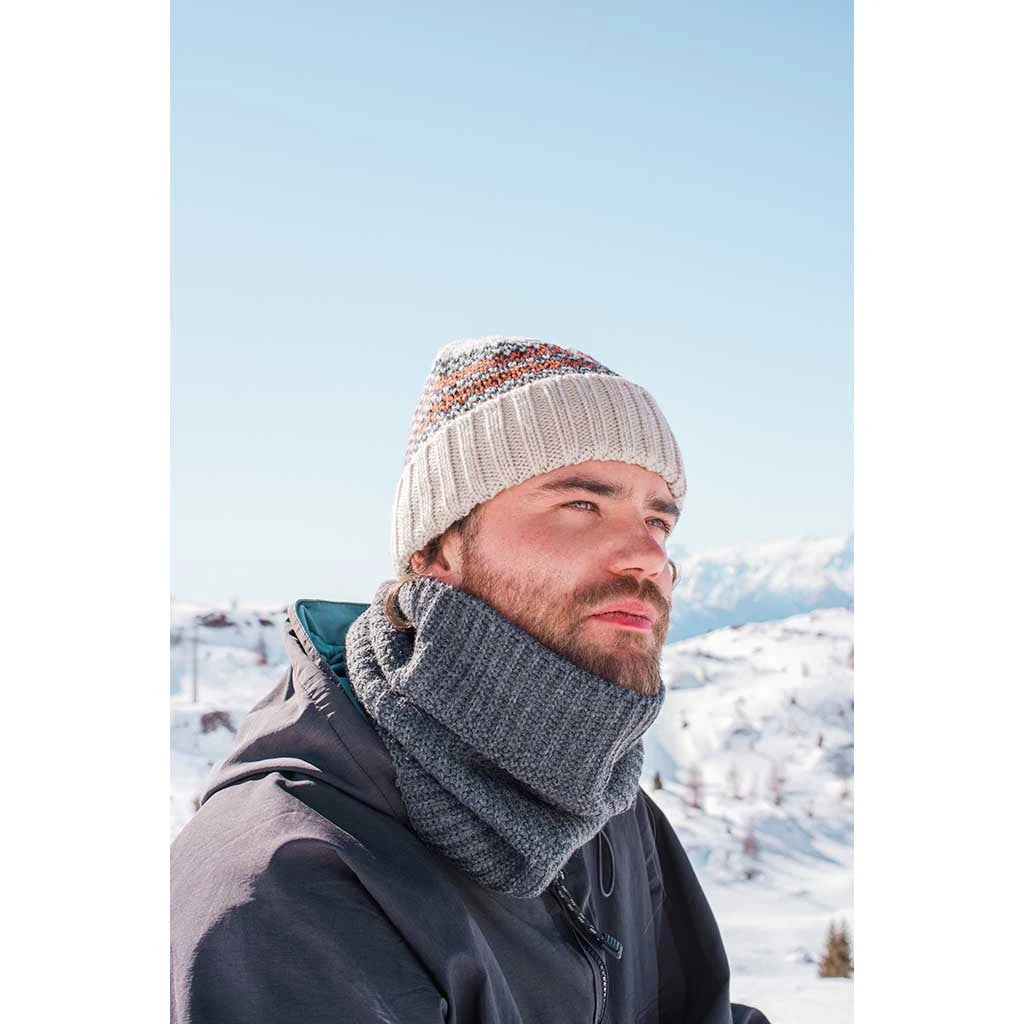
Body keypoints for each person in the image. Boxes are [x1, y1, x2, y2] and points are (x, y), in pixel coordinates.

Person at [171, 337, 770, 1024]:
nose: (650, 556)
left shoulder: (608, 807)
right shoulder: (288, 885)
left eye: (658, 518)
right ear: (437, 551)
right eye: (582, 504)